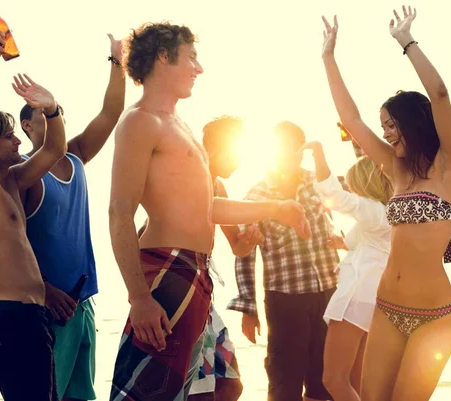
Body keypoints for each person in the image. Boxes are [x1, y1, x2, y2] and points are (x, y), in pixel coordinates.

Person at [108, 22, 310, 401]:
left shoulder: (177, 124)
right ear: (164, 58)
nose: (198, 68)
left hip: (197, 272)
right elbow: (119, 212)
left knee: (223, 385)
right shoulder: (139, 122)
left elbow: (206, 207)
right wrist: (138, 297)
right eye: (191, 58)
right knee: (154, 393)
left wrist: (276, 208)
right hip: (167, 270)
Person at [321, 6, 451, 400]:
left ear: (412, 123)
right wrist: (328, 59)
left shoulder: (448, 166)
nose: (385, 134)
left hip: (433, 318)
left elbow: (439, 95)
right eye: (383, 125)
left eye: (390, 125)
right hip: (386, 307)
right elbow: (351, 121)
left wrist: (407, 42)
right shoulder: (397, 171)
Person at [18, 33, 125, 401]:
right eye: (44, 112)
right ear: (27, 127)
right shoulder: (23, 175)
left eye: (57, 110)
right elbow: (9, 245)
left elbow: (111, 113)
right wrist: (45, 290)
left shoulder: (76, 155)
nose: (55, 115)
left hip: (84, 306)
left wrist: (117, 62)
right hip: (48, 308)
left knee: (83, 396)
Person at [228, 121, 340, 401]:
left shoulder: (320, 182)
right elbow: (244, 255)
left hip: (330, 293)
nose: (292, 159)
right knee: (284, 383)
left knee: (325, 380)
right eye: (284, 151)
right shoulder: (257, 195)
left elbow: (362, 191)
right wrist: (248, 306)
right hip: (285, 300)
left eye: (297, 153)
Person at [0, 31, 67, 400]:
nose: (19, 142)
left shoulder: (13, 179)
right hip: (6, 317)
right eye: (9, 135)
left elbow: (56, 148)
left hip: (30, 318)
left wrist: (51, 108)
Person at [303, 139, 392, 401]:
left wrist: (318, 153)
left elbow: (333, 195)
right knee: (356, 380)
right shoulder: (387, 214)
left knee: (333, 379)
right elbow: (364, 242)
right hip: (373, 300)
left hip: (355, 299)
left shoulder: (374, 210)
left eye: (354, 184)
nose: (351, 189)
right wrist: (343, 243)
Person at [187, 115, 263, 401]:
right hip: (180, 291)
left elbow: (238, 248)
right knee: (198, 392)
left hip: (204, 295)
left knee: (231, 385)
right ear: (218, 149)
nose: (239, 162)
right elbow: (146, 232)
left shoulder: (218, 186)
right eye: (235, 153)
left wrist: (248, 240)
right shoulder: (187, 178)